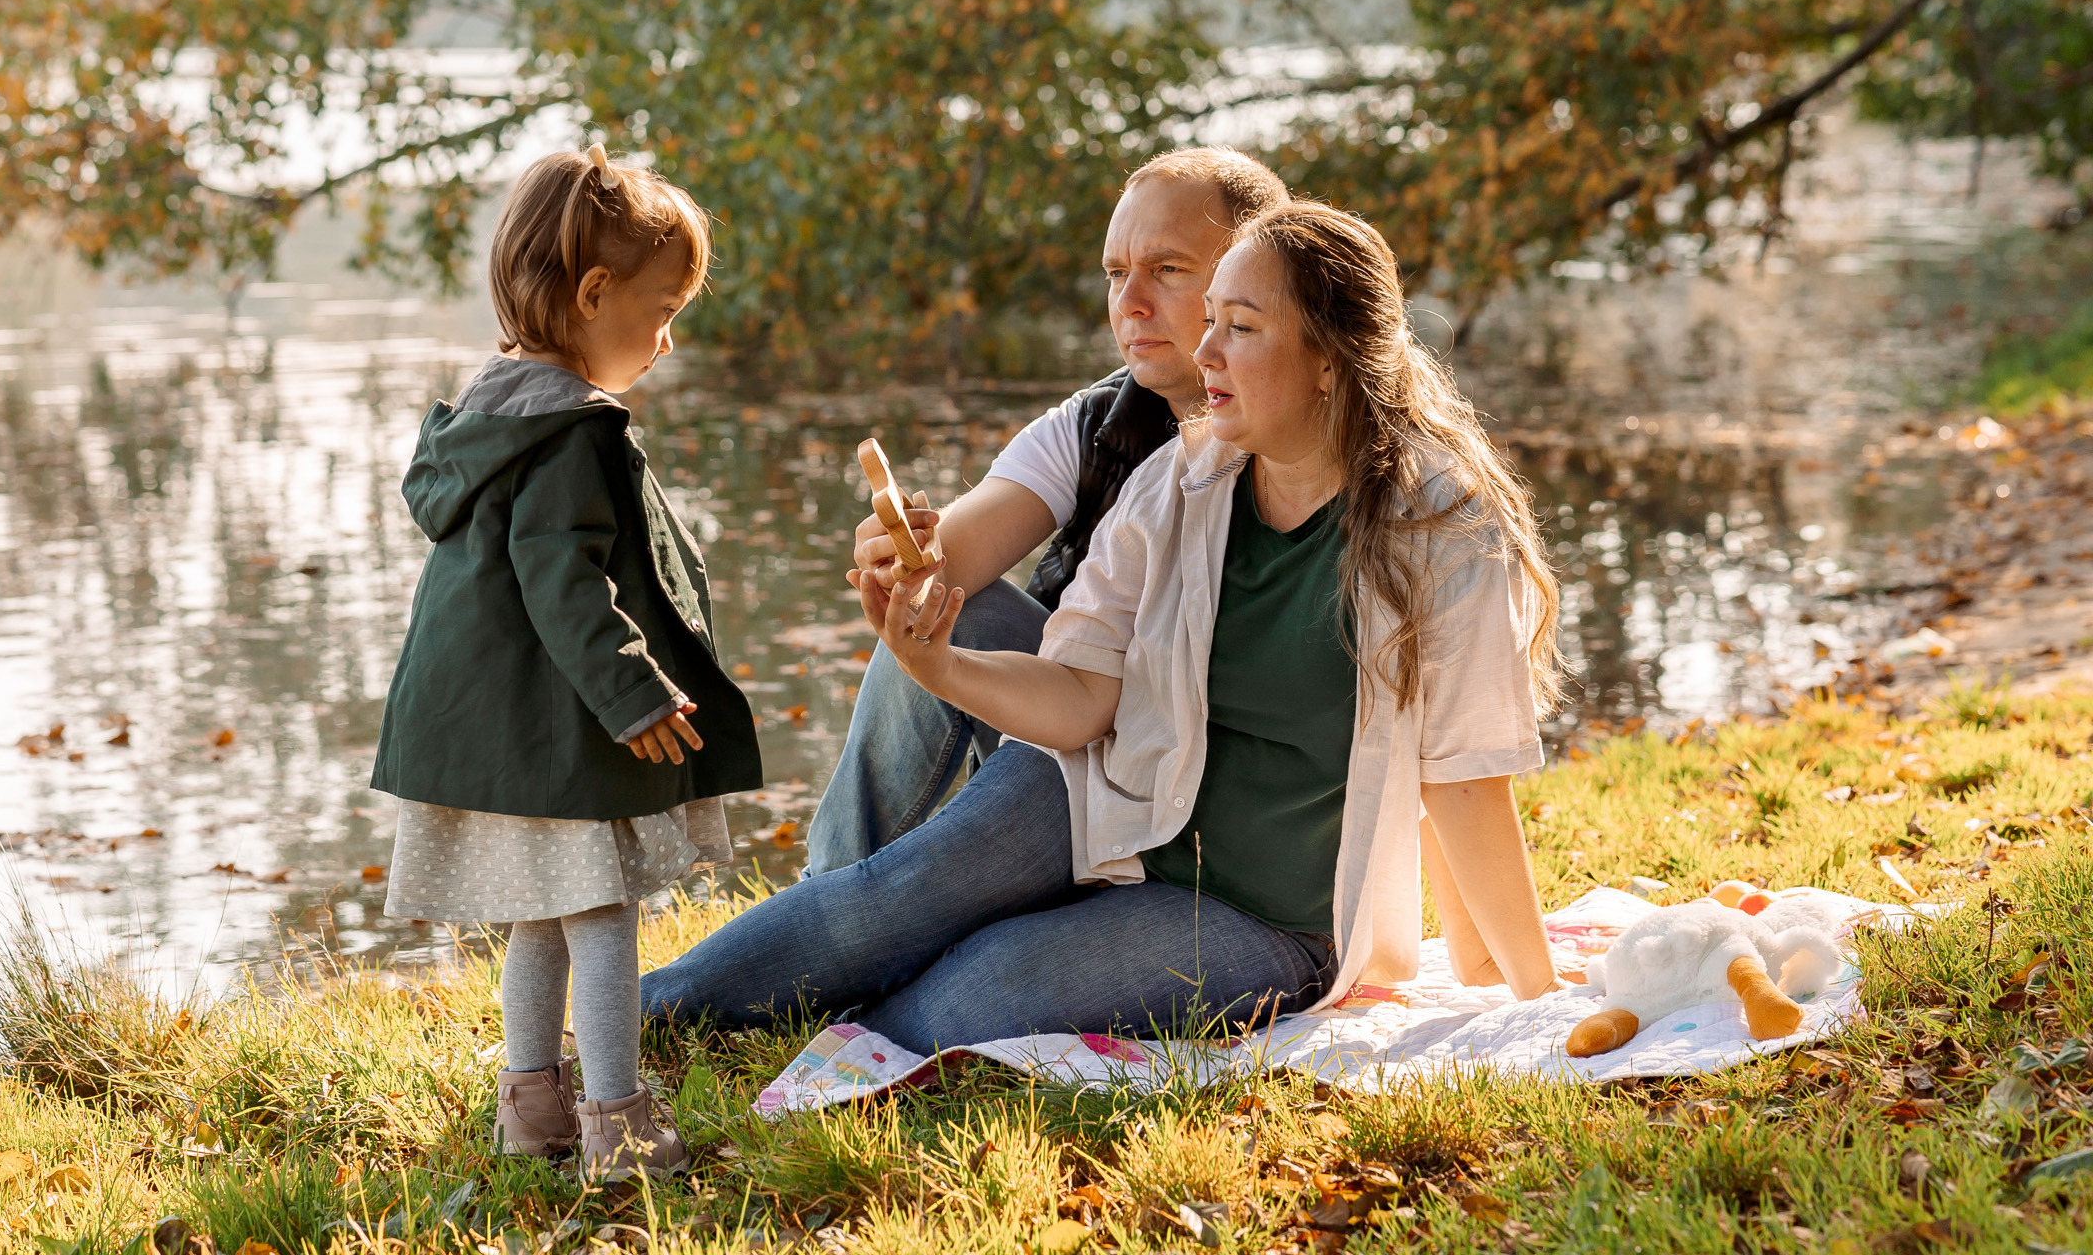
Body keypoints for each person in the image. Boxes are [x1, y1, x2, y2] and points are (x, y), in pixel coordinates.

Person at [646, 200, 1565, 1050]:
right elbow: (1084, 693)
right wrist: (939, 667)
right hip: (1116, 803)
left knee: (972, 999)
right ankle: (622, 1023)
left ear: (1330, 359)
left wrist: (1538, 1001)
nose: (1206, 353)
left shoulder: (1439, 528)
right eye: (1210, 322)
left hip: (1261, 920)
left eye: (1240, 329)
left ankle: (806, 1021)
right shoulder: (1179, 482)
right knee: (893, 900)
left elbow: (1464, 782)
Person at [369, 143, 760, 1179]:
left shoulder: (489, 413)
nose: (668, 337)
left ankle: (530, 1106)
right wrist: (634, 694)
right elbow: (564, 581)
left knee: (539, 917)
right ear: (594, 293)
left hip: (502, 728)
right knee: (601, 919)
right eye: (663, 307)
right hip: (562, 726)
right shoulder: (570, 433)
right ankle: (619, 1125)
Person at [807, 147, 1293, 872]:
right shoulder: (1094, 425)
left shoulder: (1308, 444)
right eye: (1115, 273)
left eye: (1166, 270)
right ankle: (830, 887)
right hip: (1068, 718)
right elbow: (944, 573)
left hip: (1209, 784)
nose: (1129, 304)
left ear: (1252, 276)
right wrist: (902, 554)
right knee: (951, 607)